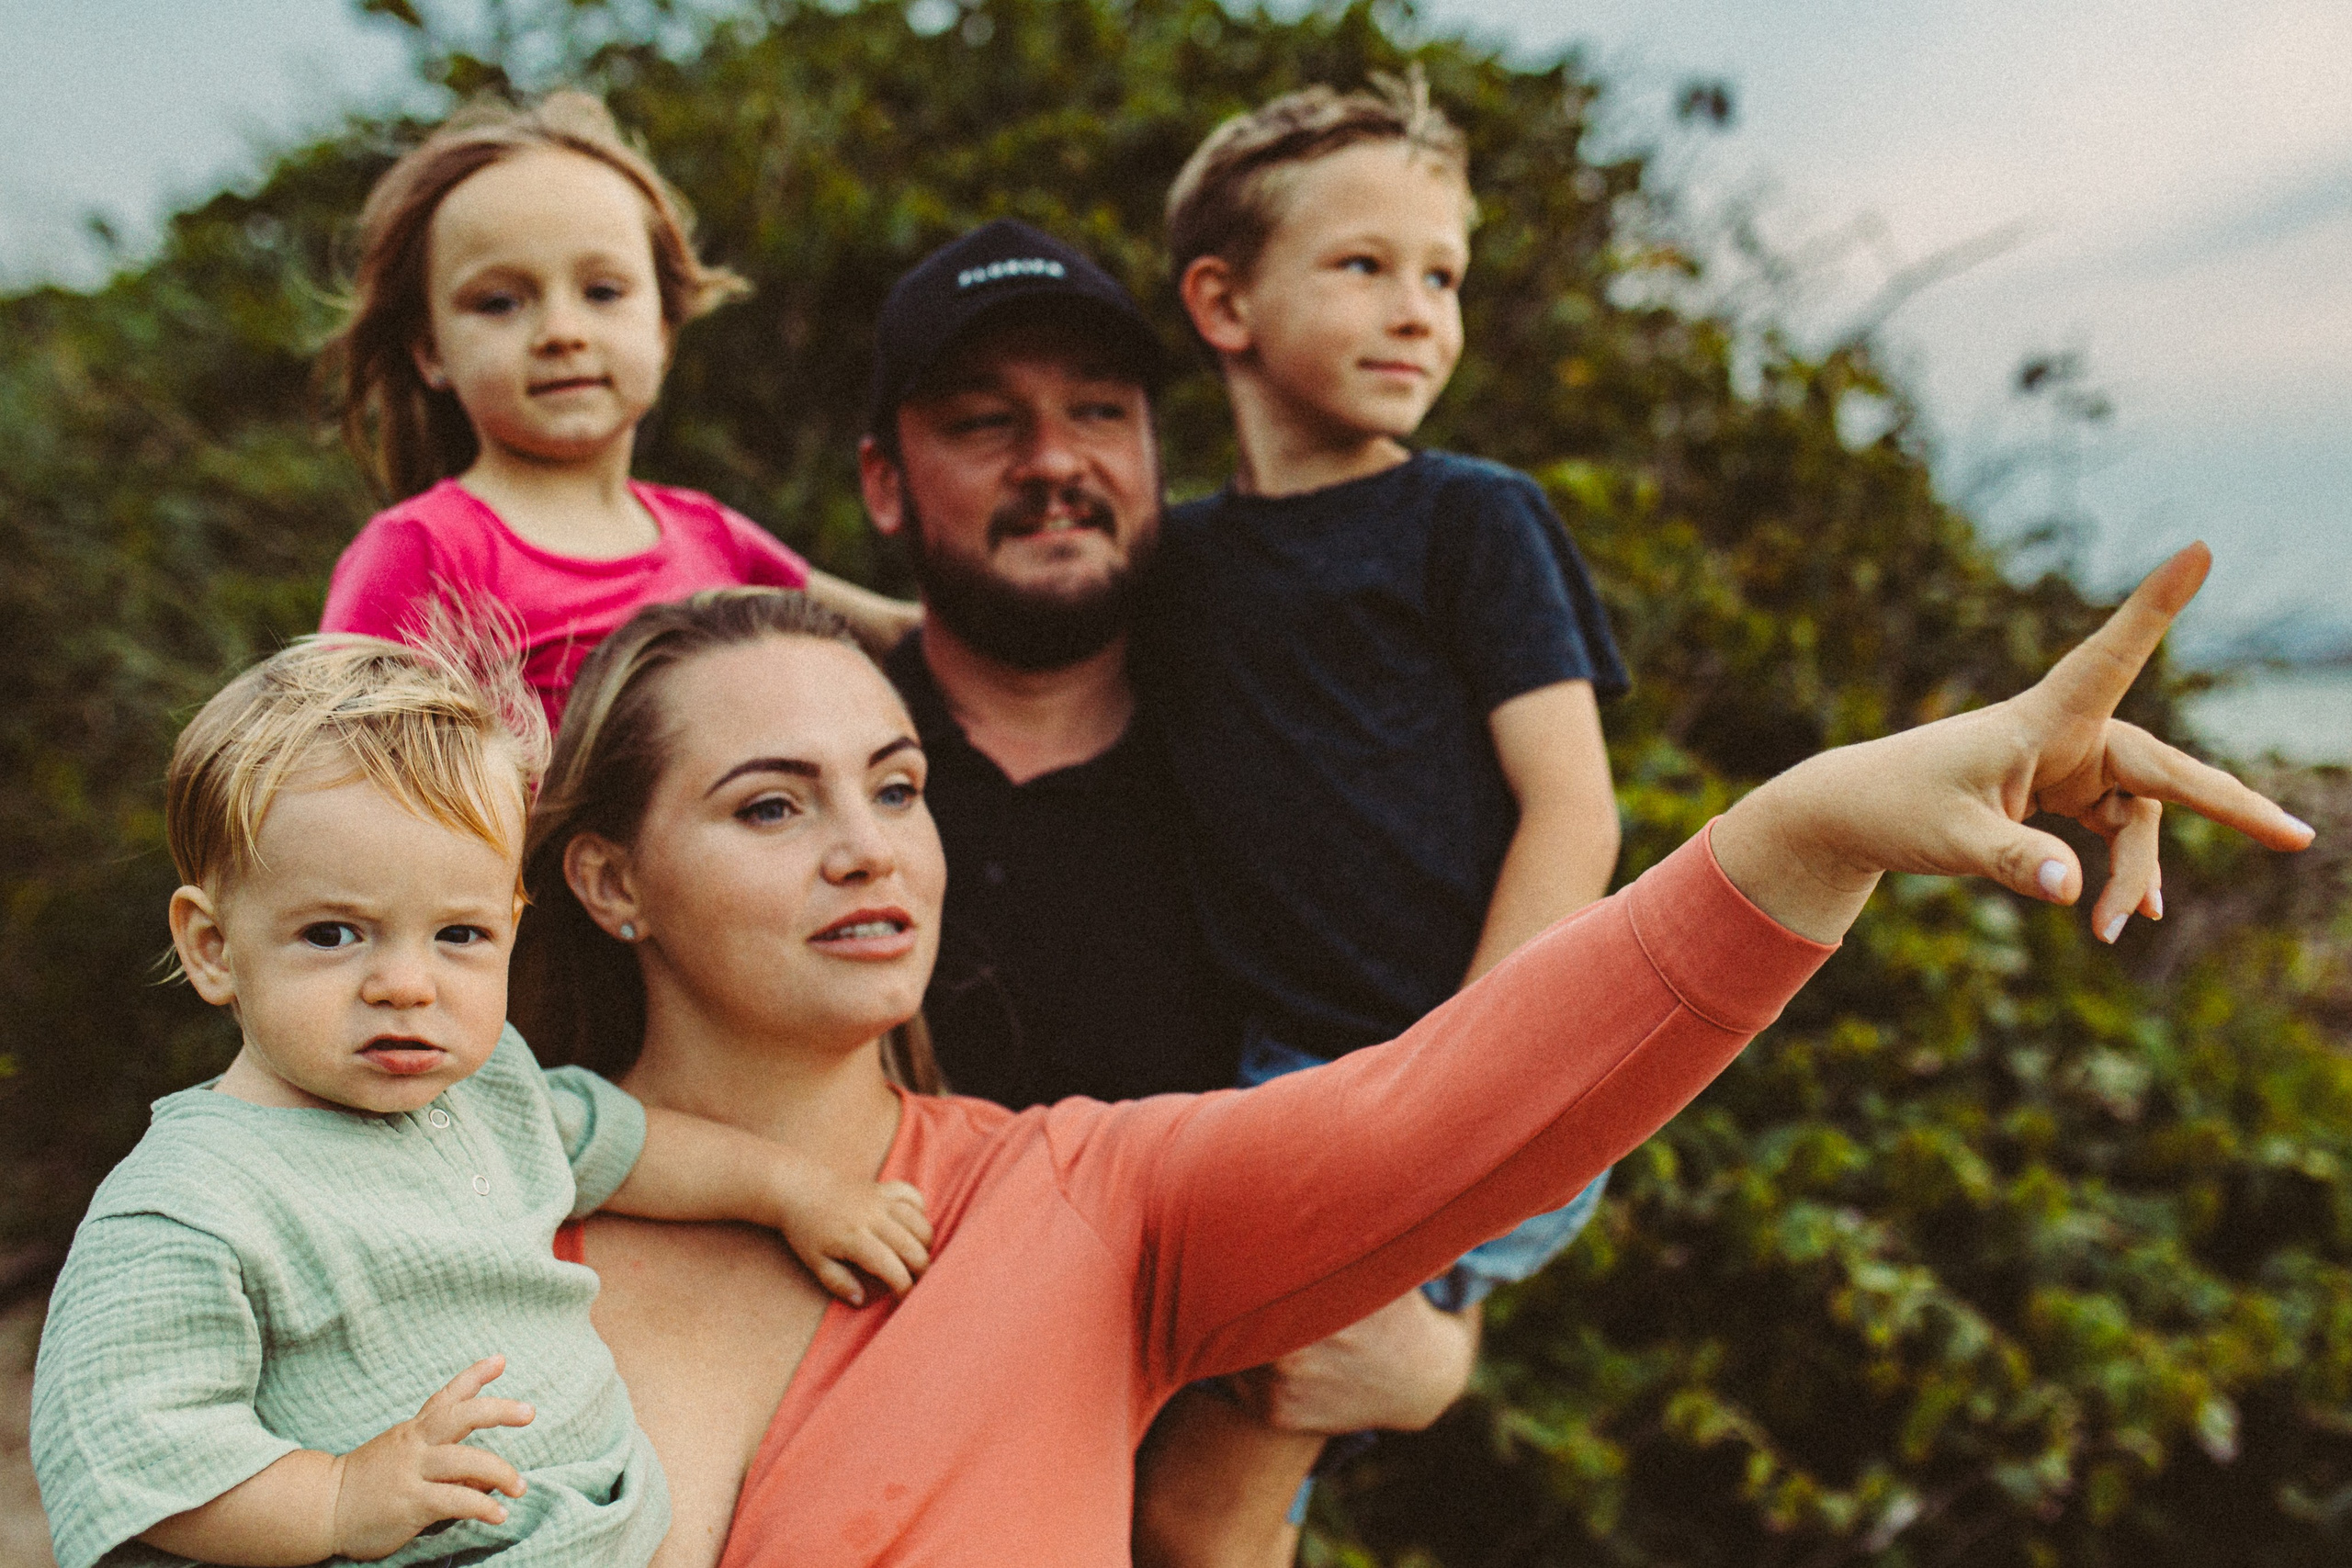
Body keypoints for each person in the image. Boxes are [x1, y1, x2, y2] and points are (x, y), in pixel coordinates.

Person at [508, 547, 2309, 1568]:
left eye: (896, 786)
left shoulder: (1076, 1200)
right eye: (771, 802)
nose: (865, 846)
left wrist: (1809, 825)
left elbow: (1472, 1098)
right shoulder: (451, 1201)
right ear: (608, 877)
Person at [30, 634, 931, 1568]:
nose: (406, 985)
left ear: (510, 928)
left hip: (602, 1532)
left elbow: (631, 1148)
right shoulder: (191, 1203)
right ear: (214, 948)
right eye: (335, 934)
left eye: (457, 934)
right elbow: (137, 1456)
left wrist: (795, 1193)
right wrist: (338, 1498)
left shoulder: (487, 1091)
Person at [852, 218, 1484, 1543]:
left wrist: (1439, 1344)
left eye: (1099, 412)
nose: (1055, 462)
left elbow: (1430, 1072)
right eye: (983, 422)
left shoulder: (1282, 764)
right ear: (884, 482)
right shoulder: (809, 771)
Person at [1135, 74, 1638, 1556]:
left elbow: (1575, 811)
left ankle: (1420, 1354)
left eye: (1443, 276)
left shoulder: (1472, 519)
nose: (1420, 309)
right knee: (1182, 1490)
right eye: (1365, 266)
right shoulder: (1179, 563)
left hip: (1492, 1070)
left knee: (1193, 1508)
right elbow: (962, 640)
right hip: (1283, 1082)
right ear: (1224, 304)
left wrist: (1465, 1085)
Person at [316, 92, 911, 728]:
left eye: (602, 291)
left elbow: (908, 641)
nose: (561, 331)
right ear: (431, 349)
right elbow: (326, 772)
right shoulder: (424, 551)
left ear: (662, 327)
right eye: (498, 303)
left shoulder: (712, 537)